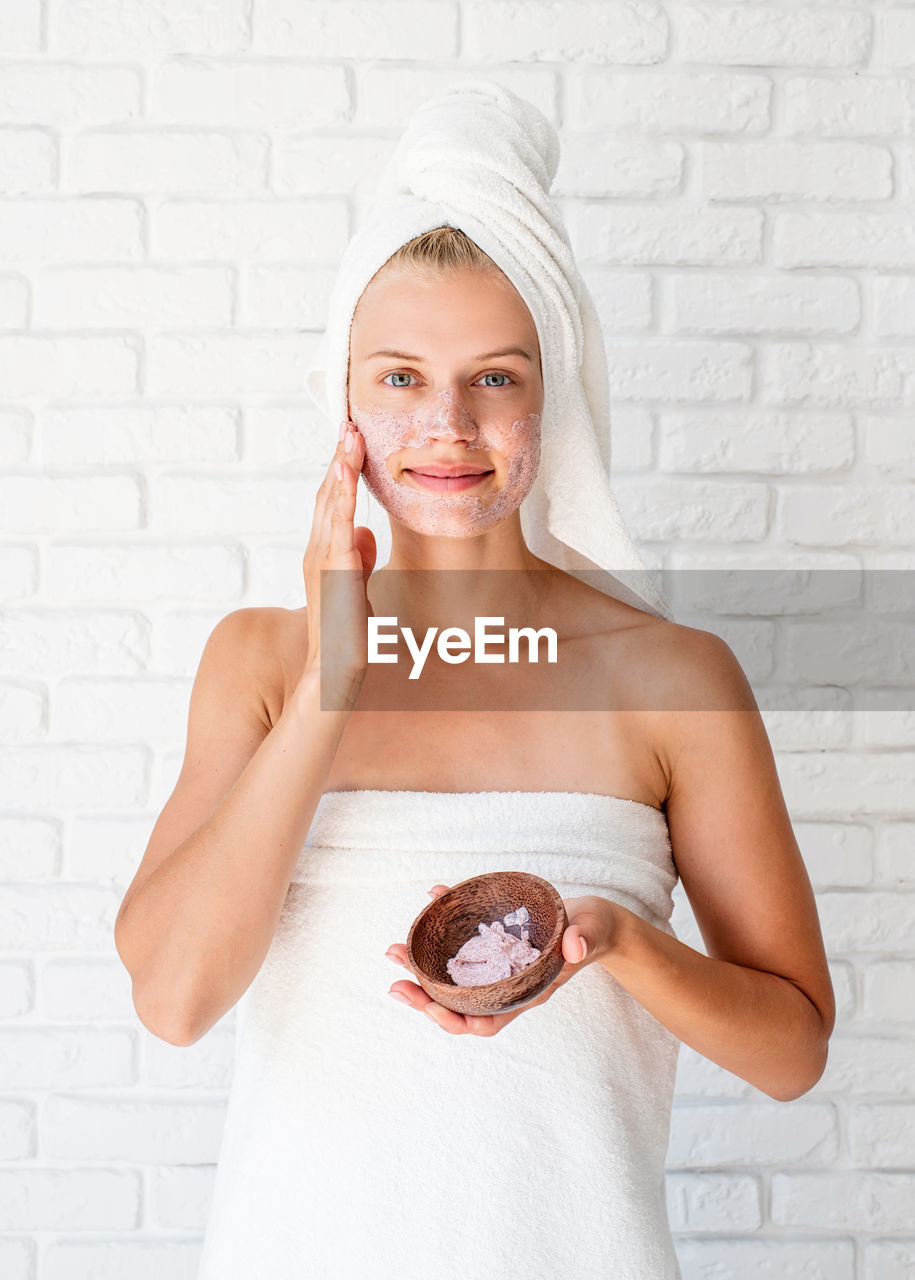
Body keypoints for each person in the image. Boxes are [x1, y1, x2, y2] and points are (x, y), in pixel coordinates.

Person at [114, 86, 835, 1280]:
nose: (445, 422)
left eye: (494, 377)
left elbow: (792, 1047)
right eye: (398, 375)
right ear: (341, 398)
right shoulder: (260, 663)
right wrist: (333, 683)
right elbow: (177, 997)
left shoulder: (673, 680)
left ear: (556, 392)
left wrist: (616, 942)